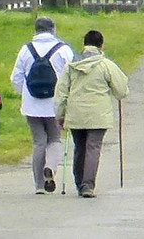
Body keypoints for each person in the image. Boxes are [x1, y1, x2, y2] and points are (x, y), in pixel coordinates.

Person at [55, 30, 129, 198]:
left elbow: (61, 92)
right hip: (98, 115)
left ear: (84, 44)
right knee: (93, 147)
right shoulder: (106, 65)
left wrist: (60, 114)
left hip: (76, 114)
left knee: (80, 147)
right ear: (101, 45)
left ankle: (79, 182)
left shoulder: (71, 66)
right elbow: (121, 90)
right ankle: (88, 185)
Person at [11, 17, 75, 194]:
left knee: (39, 142)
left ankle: (39, 185)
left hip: (31, 104)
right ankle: (51, 167)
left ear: (36, 30)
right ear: (53, 29)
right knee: (54, 139)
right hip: (55, 104)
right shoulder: (63, 50)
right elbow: (71, 77)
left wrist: (24, 93)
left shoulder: (26, 49)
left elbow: (15, 78)